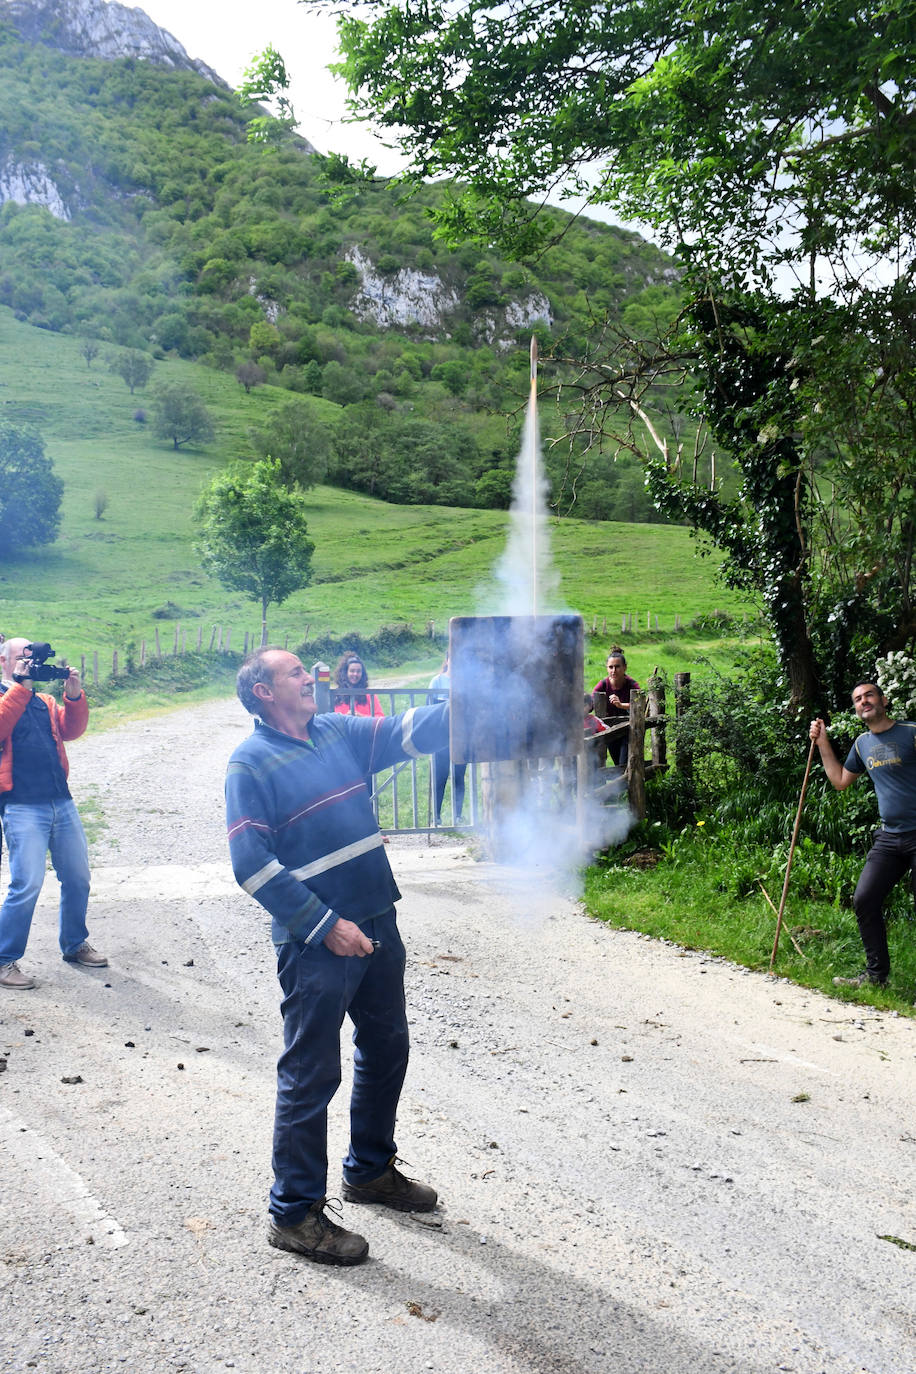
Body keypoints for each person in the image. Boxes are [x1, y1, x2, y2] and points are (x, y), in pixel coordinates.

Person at [225, 647, 450, 1265]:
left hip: (378, 917)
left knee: (387, 1047)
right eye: (296, 671)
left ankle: (370, 1170)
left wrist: (476, 695)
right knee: (311, 1073)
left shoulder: (337, 731)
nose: (311, 676)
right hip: (316, 944)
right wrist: (324, 925)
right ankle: (294, 1214)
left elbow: (412, 730)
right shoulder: (250, 763)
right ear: (265, 692)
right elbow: (250, 864)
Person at [0, 637, 106, 990]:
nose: (29, 664)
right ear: (4, 662)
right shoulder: (8, 696)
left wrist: (73, 695)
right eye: (22, 658)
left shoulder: (44, 701)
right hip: (21, 806)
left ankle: (74, 945)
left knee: (78, 878)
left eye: (32, 659)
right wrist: (20, 685)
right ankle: (4, 960)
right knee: (26, 884)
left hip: (61, 801)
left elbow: (72, 730)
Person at [810, 680, 916, 988]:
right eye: (857, 698)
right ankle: (875, 977)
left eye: (869, 695)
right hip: (889, 837)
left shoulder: (910, 731)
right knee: (865, 899)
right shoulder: (862, 744)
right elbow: (840, 780)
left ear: (883, 699)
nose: (863, 701)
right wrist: (822, 743)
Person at [428, 654, 466, 825]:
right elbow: (429, 708)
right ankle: (435, 816)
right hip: (440, 737)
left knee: (459, 776)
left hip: (460, 736)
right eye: (453, 658)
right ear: (447, 660)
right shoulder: (437, 681)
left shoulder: (464, 682)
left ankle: (457, 816)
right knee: (440, 777)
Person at [592, 648, 640, 767]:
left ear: (625, 668)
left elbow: (639, 704)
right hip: (609, 729)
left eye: (617, 667)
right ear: (607, 668)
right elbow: (591, 703)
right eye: (610, 667)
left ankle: (626, 783)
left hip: (628, 729)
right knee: (617, 763)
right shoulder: (602, 685)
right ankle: (622, 783)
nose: (614, 670)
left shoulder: (632, 684)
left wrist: (621, 705)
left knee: (623, 762)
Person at [334, 652, 384, 718]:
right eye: (352, 671)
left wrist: (361, 717)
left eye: (358, 671)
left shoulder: (369, 694)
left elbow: (380, 718)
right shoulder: (335, 696)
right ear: (345, 673)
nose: (355, 674)